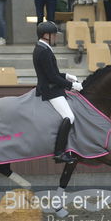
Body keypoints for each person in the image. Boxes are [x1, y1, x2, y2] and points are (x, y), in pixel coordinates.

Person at [32, 21, 83, 163]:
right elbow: (52, 77)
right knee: (69, 117)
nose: (56, 37)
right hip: (50, 90)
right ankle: (59, 152)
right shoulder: (43, 51)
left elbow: (53, 72)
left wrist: (66, 75)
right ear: (46, 35)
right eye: (54, 35)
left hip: (52, 86)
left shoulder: (43, 48)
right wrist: (72, 86)